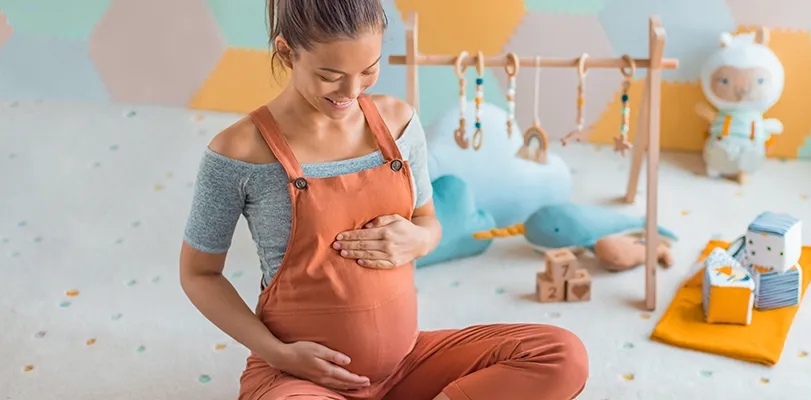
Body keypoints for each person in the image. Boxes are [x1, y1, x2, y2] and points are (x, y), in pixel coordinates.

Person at [178, 0, 589, 398]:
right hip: (299, 380)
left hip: (408, 366)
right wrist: (279, 354)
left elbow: (428, 222)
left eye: (368, 71)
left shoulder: (399, 124)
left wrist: (420, 239)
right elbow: (199, 274)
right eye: (330, 74)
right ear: (286, 52)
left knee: (562, 356)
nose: (351, 91)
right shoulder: (238, 152)